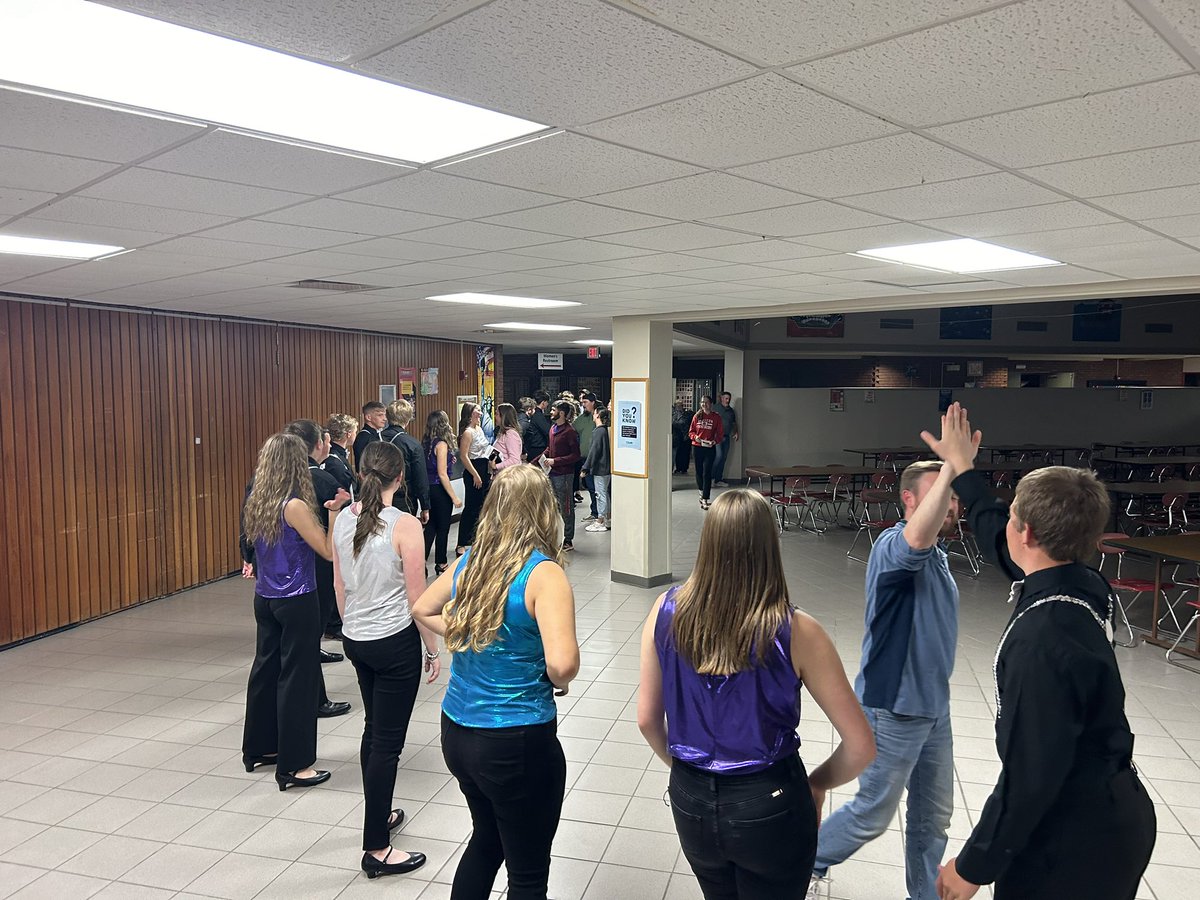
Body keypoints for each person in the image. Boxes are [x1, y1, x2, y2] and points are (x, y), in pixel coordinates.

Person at [927, 404, 1156, 900]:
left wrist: (971, 868)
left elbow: (1032, 775)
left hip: (1075, 843)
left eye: (1012, 515)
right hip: (1116, 813)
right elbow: (996, 536)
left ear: (1026, 533)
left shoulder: (1043, 641)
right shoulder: (1077, 580)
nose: (1004, 523)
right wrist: (963, 470)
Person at [638, 489, 875, 900]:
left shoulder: (665, 610)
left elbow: (646, 719)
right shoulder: (798, 631)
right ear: (770, 545)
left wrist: (686, 770)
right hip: (771, 800)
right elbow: (860, 746)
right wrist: (816, 785)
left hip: (690, 799)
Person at [412, 464, 579, 900]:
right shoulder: (544, 574)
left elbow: (422, 609)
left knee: (486, 842)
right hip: (515, 741)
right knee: (527, 874)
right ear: (545, 510)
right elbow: (563, 666)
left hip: (458, 733)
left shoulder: (471, 561)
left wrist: (469, 628)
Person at [811, 459, 961, 900]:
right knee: (871, 813)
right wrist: (954, 464)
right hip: (893, 707)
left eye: (953, 496)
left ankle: (925, 895)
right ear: (909, 500)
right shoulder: (895, 547)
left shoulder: (937, 554)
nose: (950, 505)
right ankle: (799, 862)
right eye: (939, 494)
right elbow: (917, 537)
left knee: (933, 817)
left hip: (934, 709)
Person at [332, 442, 442, 880]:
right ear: (400, 478)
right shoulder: (406, 525)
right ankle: (376, 848)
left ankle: (378, 815)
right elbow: (418, 599)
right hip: (394, 645)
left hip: (357, 640)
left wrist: (351, 627)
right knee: (387, 744)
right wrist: (433, 649)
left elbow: (339, 582)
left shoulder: (342, 518)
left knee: (373, 731)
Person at [241, 433, 349, 791]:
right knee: (298, 680)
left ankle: (259, 747)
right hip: (298, 598)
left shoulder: (258, 500)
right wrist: (333, 513)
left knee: (265, 671)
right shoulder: (295, 506)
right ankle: (295, 764)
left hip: (265, 599)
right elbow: (327, 551)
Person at [283, 420, 353, 716]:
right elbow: (337, 536)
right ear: (320, 444)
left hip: (276, 576)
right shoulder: (323, 483)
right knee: (310, 633)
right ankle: (316, 699)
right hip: (313, 573)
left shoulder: (264, 484)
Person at [422, 410, 462, 576]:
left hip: (429, 488)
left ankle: (421, 559)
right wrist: (454, 497)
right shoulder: (442, 445)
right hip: (440, 489)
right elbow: (442, 473)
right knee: (443, 527)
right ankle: (441, 561)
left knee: (431, 526)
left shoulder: (426, 443)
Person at [384, 399, 430, 525]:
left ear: (387, 417)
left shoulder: (375, 439)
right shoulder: (412, 444)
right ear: (408, 419)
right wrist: (425, 506)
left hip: (377, 495)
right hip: (404, 497)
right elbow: (420, 477)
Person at [543, 400, 580, 552]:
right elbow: (549, 448)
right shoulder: (553, 429)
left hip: (564, 475)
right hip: (552, 473)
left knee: (566, 506)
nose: (551, 412)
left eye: (553, 410)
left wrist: (555, 461)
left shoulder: (570, 432)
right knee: (552, 506)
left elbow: (575, 455)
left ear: (562, 413)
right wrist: (540, 459)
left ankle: (568, 539)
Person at [456, 402, 492, 557]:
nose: (480, 412)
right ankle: (461, 541)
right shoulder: (468, 432)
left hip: (484, 467)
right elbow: (464, 456)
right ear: (470, 413)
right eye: (477, 410)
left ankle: (476, 538)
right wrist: (475, 475)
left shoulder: (480, 429)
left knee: (481, 506)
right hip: (473, 470)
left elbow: (485, 449)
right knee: (471, 507)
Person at [689, 396, 725, 510]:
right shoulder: (697, 416)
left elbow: (720, 434)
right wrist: (696, 437)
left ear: (711, 404)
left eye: (707, 402)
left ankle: (705, 498)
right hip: (697, 447)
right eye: (702, 402)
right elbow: (691, 432)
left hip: (709, 448)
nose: (704, 404)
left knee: (707, 472)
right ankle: (701, 493)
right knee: (699, 471)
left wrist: (714, 441)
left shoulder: (716, 417)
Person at [582, 406, 610, 533]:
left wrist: (586, 467)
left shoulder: (598, 432)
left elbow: (594, 451)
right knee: (604, 493)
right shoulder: (604, 431)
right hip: (605, 468)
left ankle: (600, 520)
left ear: (597, 415)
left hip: (600, 468)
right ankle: (607, 517)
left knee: (600, 494)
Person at [575, 390, 599, 521]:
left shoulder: (599, 415)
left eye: (585, 402)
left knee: (599, 487)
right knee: (590, 486)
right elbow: (574, 428)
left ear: (593, 402)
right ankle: (594, 512)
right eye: (582, 402)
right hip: (585, 458)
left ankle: (601, 513)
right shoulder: (582, 418)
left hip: (597, 458)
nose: (583, 405)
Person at [323, 414, 359, 496]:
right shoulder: (335, 461)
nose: (356, 435)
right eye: (355, 432)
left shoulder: (331, 454)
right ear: (348, 434)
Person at [712, 391, 740, 487]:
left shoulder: (731, 411)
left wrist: (736, 432)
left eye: (729, 398)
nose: (728, 400)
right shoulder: (715, 408)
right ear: (721, 398)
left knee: (723, 458)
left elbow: (733, 423)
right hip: (717, 437)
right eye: (726, 398)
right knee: (718, 456)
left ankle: (718, 479)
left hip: (726, 436)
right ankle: (711, 478)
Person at [354, 401, 389, 471]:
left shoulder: (376, 435)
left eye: (384, 415)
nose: (384, 419)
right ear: (368, 417)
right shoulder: (363, 437)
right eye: (380, 415)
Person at [490, 402, 523, 473]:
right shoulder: (503, 432)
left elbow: (515, 460)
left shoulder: (511, 434)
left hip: (509, 476)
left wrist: (496, 466)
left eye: (497, 414)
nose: (495, 416)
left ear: (504, 417)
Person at [522, 390, 551, 465]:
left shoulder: (533, 414)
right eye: (547, 402)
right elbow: (547, 430)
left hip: (531, 447)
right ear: (543, 402)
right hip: (537, 448)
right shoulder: (538, 415)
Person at [672, 400, 692, 475]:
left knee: (685, 453)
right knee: (678, 454)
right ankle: (678, 468)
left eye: (680, 405)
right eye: (677, 406)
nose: (679, 407)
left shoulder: (687, 414)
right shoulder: (673, 414)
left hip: (686, 436)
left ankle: (684, 468)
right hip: (677, 437)